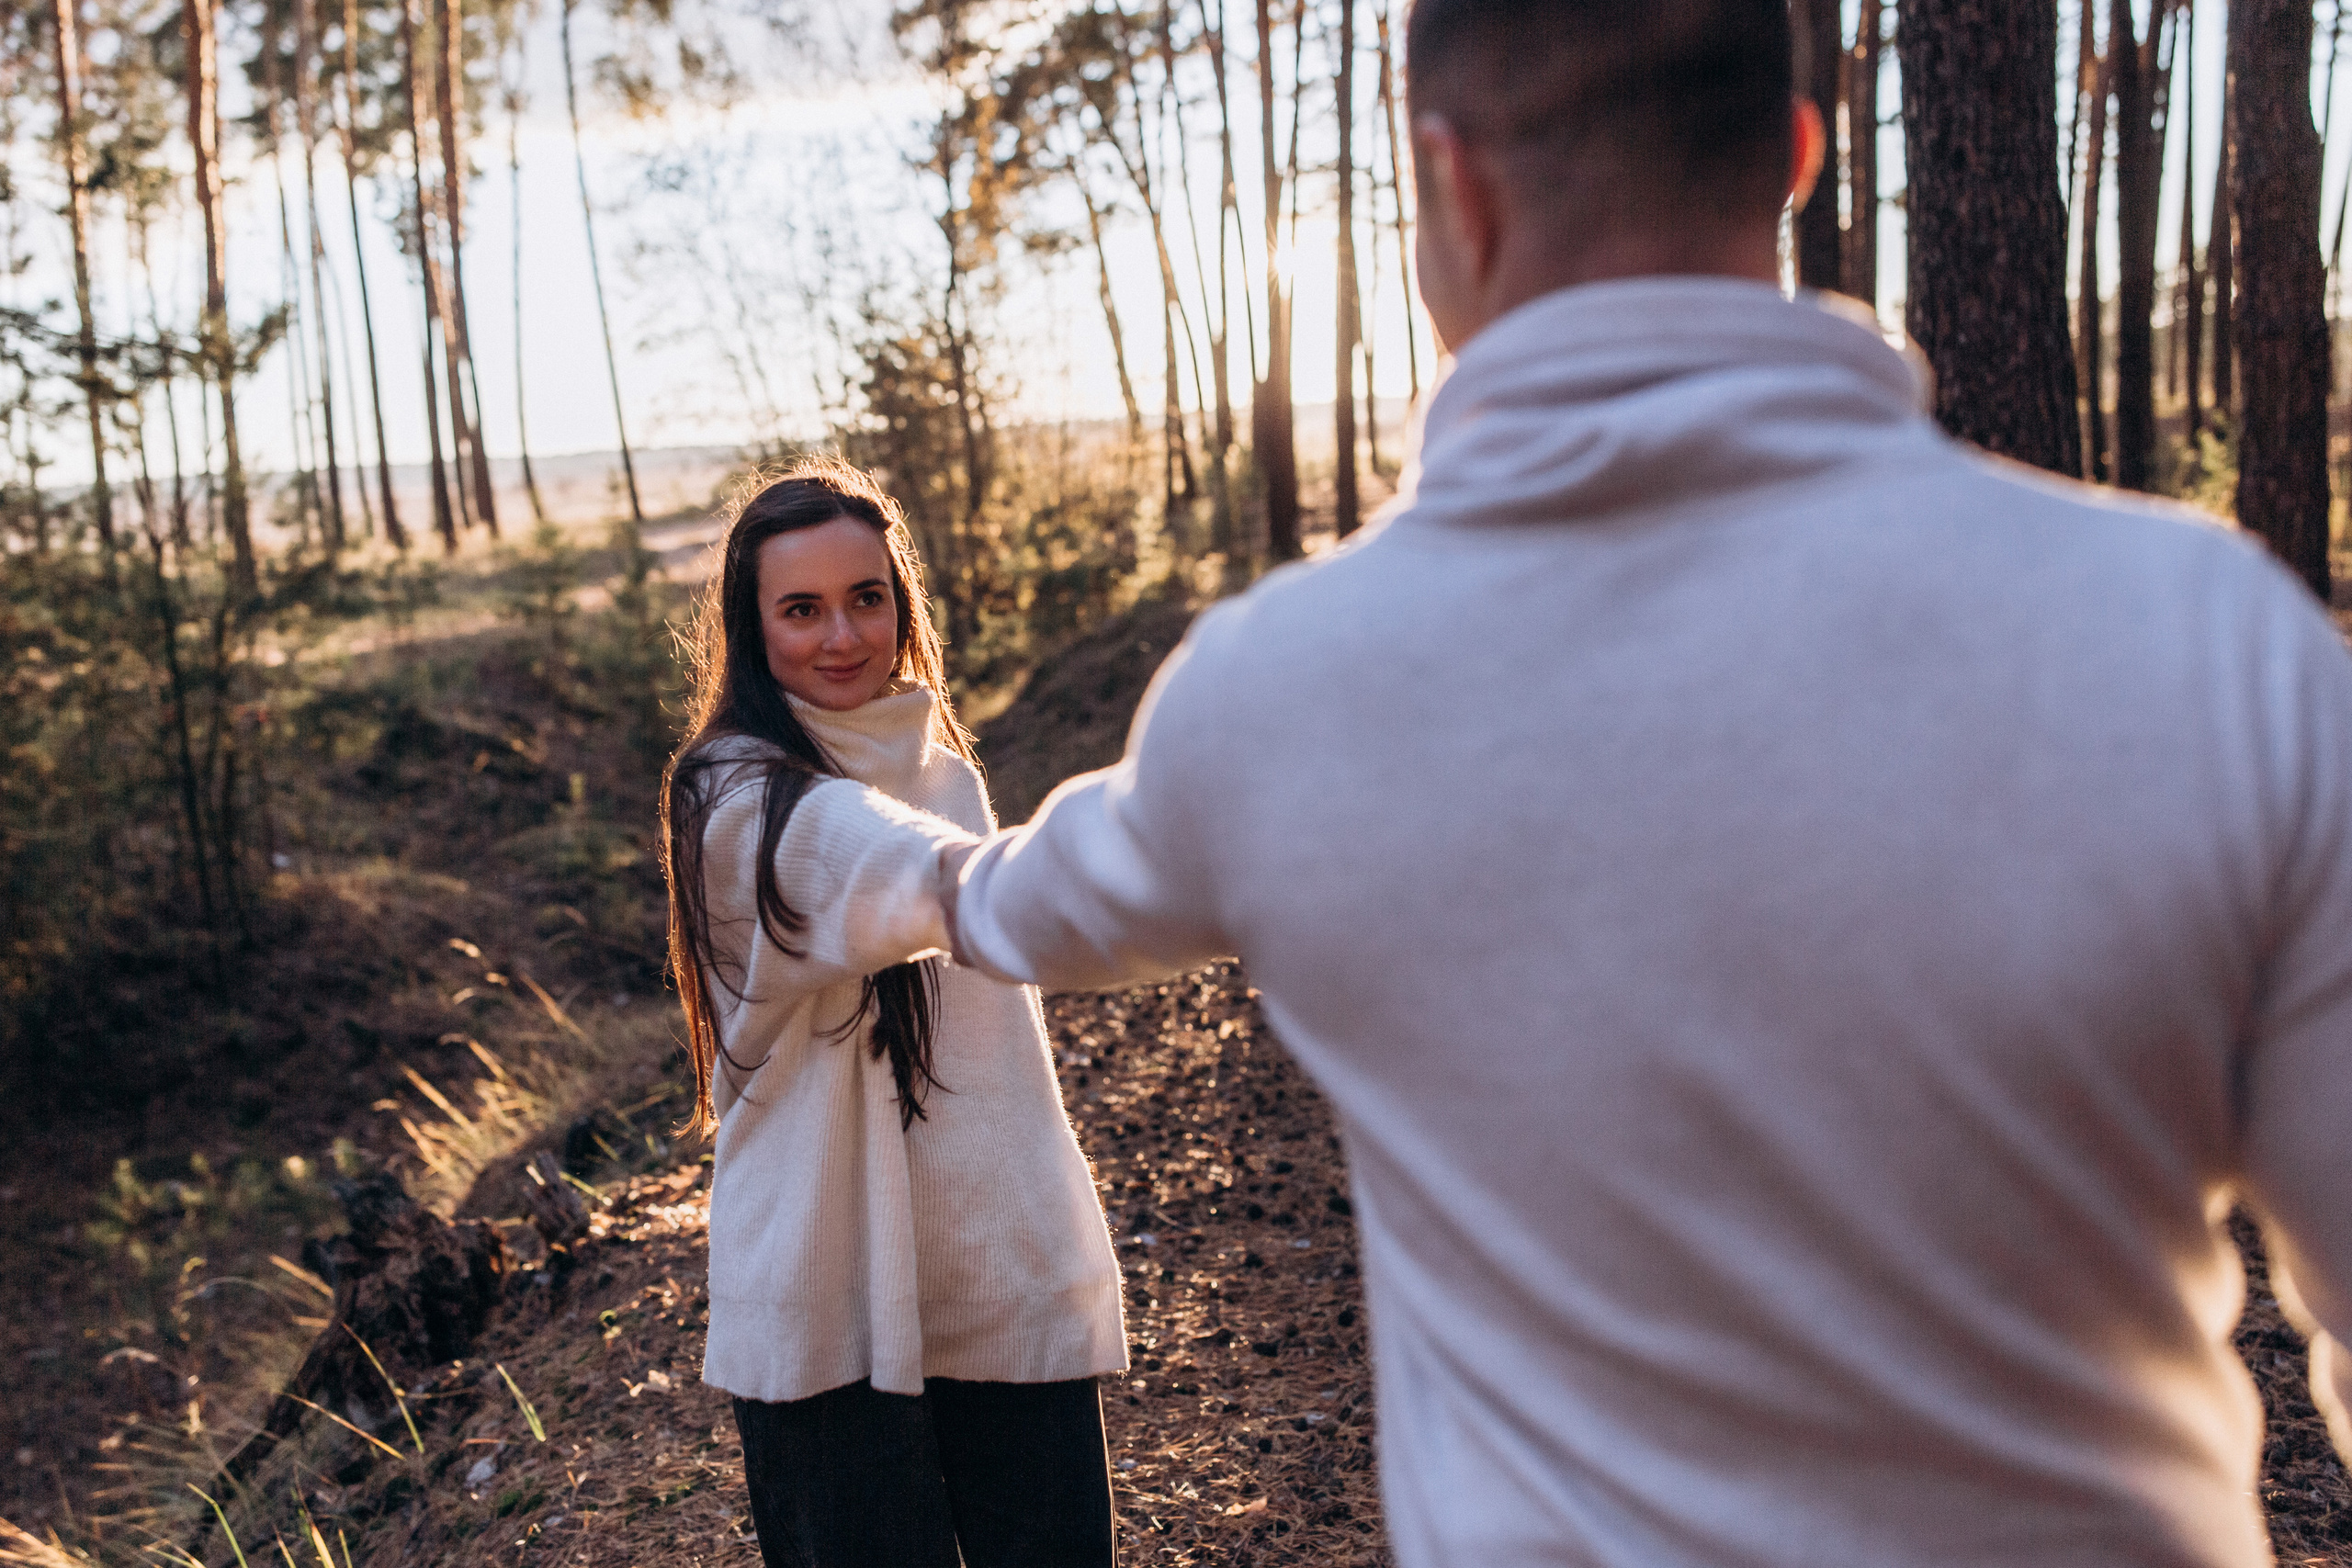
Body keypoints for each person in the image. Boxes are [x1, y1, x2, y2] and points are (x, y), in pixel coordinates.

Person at [926, 2, 2352, 1564]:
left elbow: (1028, 905)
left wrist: (906, 865)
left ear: (1448, 184)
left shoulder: (1278, 692)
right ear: (1800, 155)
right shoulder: (2213, 639)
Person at [661, 457, 1125, 1568]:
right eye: (801, 608)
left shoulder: (942, 771)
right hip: (825, 1291)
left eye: (867, 598)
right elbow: (862, 858)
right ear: (751, 625)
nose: (842, 637)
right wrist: (1000, 883)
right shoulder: (730, 796)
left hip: (994, 1262)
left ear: (900, 602)